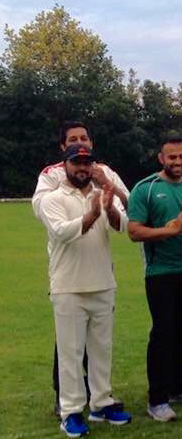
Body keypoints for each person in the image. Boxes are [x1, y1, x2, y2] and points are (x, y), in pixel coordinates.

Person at [32, 121, 129, 416]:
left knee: (101, 349)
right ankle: (69, 407)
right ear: (64, 155)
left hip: (102, 279)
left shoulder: (104, 178)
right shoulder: (51, 184)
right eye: (73, 142)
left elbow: (126, 217)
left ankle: (101, 401)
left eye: (84, 139)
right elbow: (57, 226)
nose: (80, 145)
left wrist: (107, 199)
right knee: (70, 351)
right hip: (68, 280)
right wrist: (91, 214)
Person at [127, 135, 182, 422]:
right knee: (163, 333)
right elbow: (134, 231)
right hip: (160, 272)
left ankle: (178, 388)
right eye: (171, 157)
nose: (177, 162)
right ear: (161, 158)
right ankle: (157, 399)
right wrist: (169, 230)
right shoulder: (146, 188)